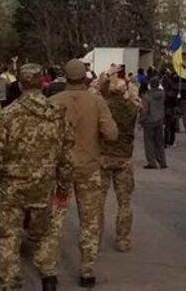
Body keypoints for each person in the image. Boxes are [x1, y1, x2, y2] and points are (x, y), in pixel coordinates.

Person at [0, 63, 74, 291]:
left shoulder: (7, 115)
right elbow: (66, 157)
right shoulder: (56, 115)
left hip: (12, 187)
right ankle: (49, 281)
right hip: (44, 186)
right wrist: (63, 188)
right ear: (42, 82)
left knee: (8, 239)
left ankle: (10, 284)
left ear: (21, 84)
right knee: (44, 236)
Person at [40, 59, 118, 288]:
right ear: (85, 77)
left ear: (66, 77)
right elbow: (111, 134)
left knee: (54, 222)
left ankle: (49, 275)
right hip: (89, 168)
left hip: (60, 171)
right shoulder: (97, 102)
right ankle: (87, 272)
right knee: (90, 221)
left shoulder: (52, 101)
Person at [100, 77, 140, 254]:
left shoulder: (103, 106)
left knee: (98, 202)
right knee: (124, 203)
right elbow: (136, 100)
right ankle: (123, 239)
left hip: (103, 156)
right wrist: (130, 89)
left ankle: (95, 235)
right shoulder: (131, 108)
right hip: (124, 158)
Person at [141, 76, 167, 168]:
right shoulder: (162, 94)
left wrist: (141, 120)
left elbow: (145, 110)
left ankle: (152, 162)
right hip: (159, 120)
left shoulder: (147, 96)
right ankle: (162, 161)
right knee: (159, 142)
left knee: (149, 143)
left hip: (149, 121)